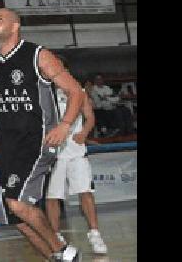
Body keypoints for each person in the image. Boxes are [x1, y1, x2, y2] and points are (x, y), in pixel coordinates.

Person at [0, 8, 86, 262]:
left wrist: (65, 125)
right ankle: (55, 258)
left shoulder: (38, 55)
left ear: (15, 25)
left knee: (17, 203)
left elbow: (76, 91)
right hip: (7, 143)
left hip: (39, 138)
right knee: (17, 218)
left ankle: (65, 252)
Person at [45, 87, 109, 255]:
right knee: (52, 197)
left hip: (76, 152)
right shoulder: (43, 90)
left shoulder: (78, 91)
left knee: (86, 193)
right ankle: (56, 237)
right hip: (53, 153)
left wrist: (85, 132)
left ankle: (95, 234)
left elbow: (89, 117)